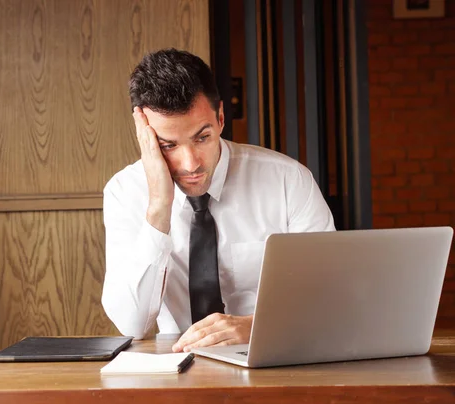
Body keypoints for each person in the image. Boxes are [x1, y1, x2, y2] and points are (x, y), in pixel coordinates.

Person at [101, 48, 335, 353]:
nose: (190, 164)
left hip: (275, 360)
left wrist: (253, 327)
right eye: (167, 145)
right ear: (145, 139)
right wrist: (159, 204)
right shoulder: (125, 192)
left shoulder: (288, 181)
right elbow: (132, 324)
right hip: (178, 368)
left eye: (202, 138)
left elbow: (330, 300)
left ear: (221, 118)